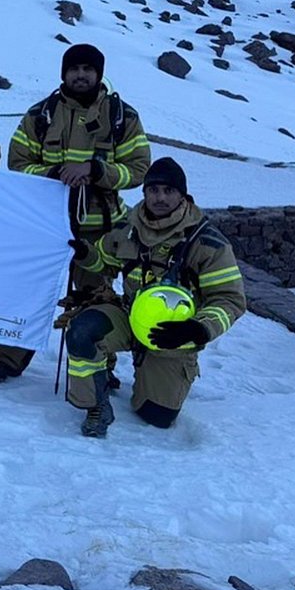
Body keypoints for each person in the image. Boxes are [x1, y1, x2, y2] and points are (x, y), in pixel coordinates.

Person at [0, 43, 151, 384]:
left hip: (99, 229)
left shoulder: (123, 117)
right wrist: (54, 173)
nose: (80, 75)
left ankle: (99, 367)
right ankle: (8, 359)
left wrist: (96, 170)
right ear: (64, 73)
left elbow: (138, 169)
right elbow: (18, 163)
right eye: (74, 69)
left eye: (88, 69)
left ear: (99, 74)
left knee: (96, 299)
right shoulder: (40, 114)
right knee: (28, 290)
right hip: (45, 225)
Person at [65, 157, 245, 436]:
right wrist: (86, 254)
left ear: (182, 195)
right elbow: (105, 261)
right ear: (145, 192)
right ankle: (96, 405)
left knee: (156, 416)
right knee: (81, 332)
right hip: (128, 316)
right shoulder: (127, 228)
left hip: (173, 335)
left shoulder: (207, 242)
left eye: (168, 191)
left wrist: (198, 329)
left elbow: (229, 299)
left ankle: (154, 369)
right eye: (153, 190)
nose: (160, 197)